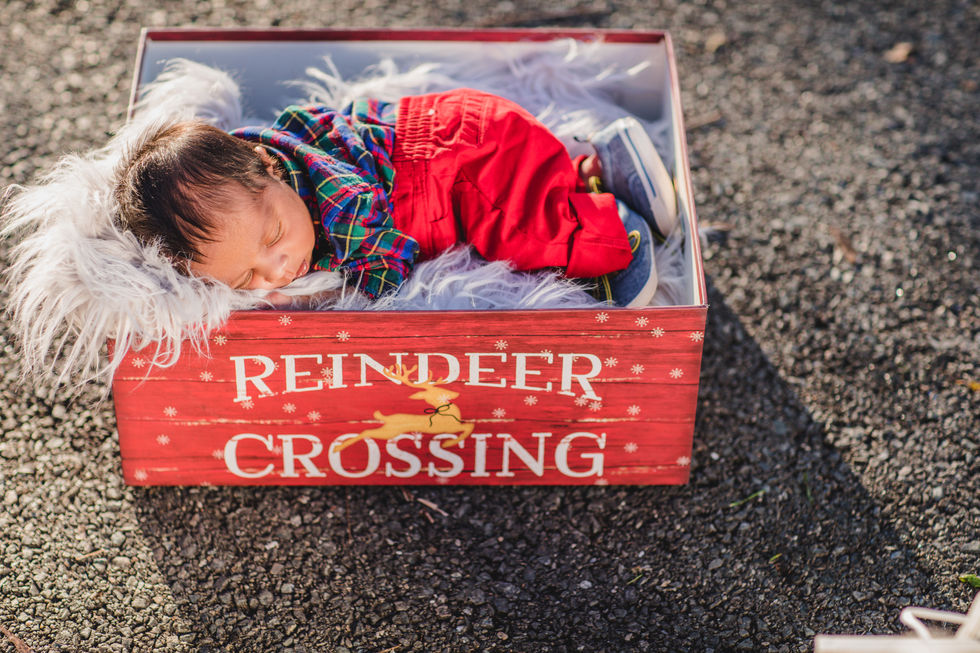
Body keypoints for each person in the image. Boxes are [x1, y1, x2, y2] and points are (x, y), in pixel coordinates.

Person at [114, 88, 677, 307]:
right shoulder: (263, 150)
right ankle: (595, 162)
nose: (279, 270)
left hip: (468, 167)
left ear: (267, 168)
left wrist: (327, 298)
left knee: (526, 232)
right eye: (246, 279)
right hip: (450, 121)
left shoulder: (346, 207)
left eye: (274, 238)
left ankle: (613, 223)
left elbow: (392, 271)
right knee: (538, 174)